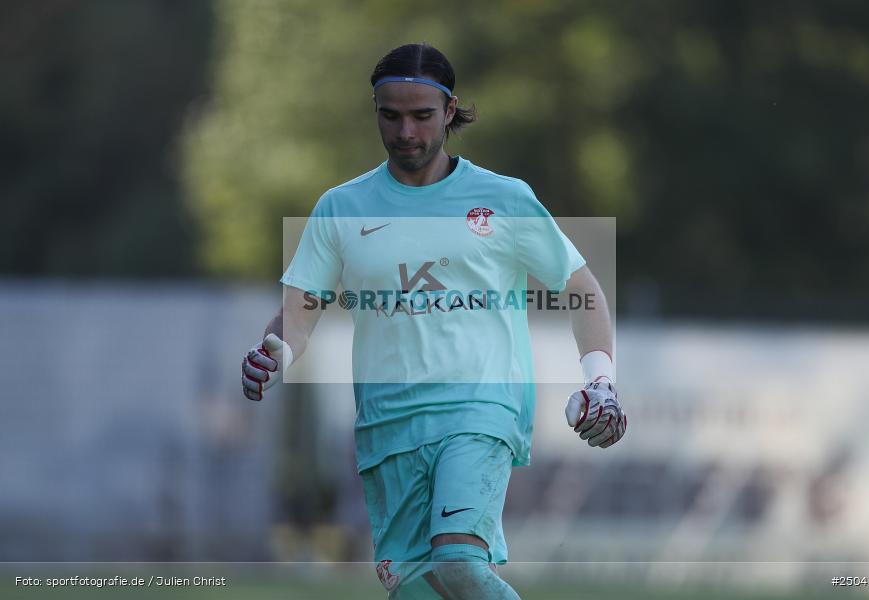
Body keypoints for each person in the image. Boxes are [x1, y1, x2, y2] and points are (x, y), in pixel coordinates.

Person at [241, 43, 626, 600]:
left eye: (421, 116)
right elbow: (300, 314)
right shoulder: (341, 208)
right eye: (390, 115)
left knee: (460, 564)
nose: (405, 132)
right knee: (420, 592)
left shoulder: (503, 199)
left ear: (449, 112)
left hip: (481, 407)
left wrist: (600, 379)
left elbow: (581, 289)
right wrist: (274, 351)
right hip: (387, 426)